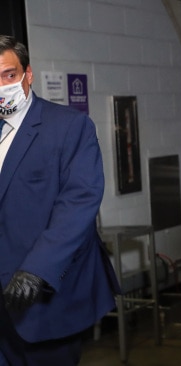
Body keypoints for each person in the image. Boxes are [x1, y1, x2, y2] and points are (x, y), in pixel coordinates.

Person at [0, 35, 119, 365]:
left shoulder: (69, 126)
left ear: (28, 74)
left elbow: (78, 203)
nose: (1, 86)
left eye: (9, 75)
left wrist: (38, 271)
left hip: (42, 298)